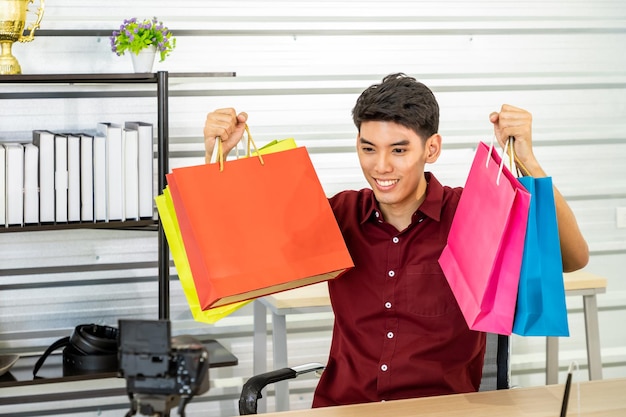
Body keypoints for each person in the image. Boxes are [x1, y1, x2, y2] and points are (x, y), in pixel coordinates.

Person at [202, 73, 589, 407]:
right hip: (344, 408)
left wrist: (529, 163)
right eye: (368, 148)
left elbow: (572, 258)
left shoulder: (470, 213)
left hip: (441, 410)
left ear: (431, 149)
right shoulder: (339, 215)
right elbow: (242, 262)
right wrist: (215, 161)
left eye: (399, 150)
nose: (381, 166)